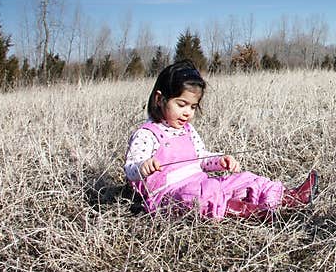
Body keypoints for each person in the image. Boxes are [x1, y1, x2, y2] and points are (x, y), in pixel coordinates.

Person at [123, 59, 318, 219]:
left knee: (244, 180)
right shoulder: (147, 134)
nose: (187, 113)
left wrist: (219, 161)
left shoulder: (188, 131)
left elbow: (201, 158)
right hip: (169, 194)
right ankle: (254, 213)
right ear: (160, 99)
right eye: (181, 104)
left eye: (192, 107)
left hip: (202, 181)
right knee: (197, 197)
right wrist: (142, 168)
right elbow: (130, 168)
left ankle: (291, 198)